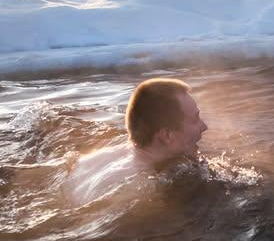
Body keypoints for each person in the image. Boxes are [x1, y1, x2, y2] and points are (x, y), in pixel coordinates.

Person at [64, 78, 208, 205]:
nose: (204, 126)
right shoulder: (137, 188)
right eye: (195, 119)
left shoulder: (92, 158)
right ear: (167, 135)